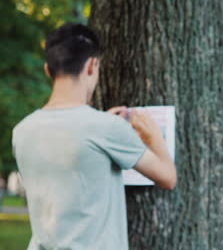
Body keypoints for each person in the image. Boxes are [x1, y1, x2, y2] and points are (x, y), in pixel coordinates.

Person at [12, 23, 177, 250]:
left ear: (48, 70)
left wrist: (103, 126)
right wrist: (154, 136)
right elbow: (168, 178)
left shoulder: (22, 131)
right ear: (92, 65)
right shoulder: (105, 128)